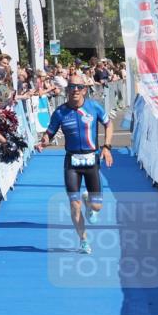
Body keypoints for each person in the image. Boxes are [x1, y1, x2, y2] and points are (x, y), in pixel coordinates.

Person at [34, 73, 113, 255]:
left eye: (78, 87)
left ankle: (89, 201)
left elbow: (109, 125)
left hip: (91, 160)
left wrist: (107, 147)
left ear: (84, 89)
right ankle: (83, 240)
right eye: (71, 87)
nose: (75, 90)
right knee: (74, 204)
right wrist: (43, 141)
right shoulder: (60, 112)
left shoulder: (94, 107)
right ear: (66, 90)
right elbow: (50, 132)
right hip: (72, 162)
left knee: (97, 207)